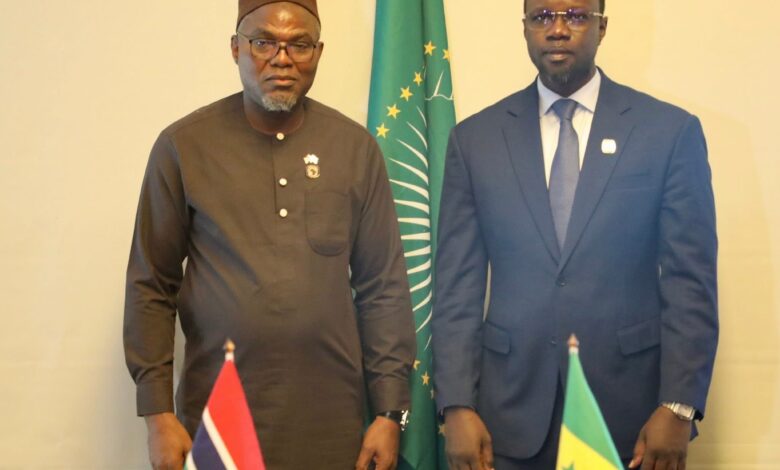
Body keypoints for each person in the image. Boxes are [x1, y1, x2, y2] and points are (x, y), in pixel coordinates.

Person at [123, 1, 415, 469]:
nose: (282, 58)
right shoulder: (184, 147)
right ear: (236, 48)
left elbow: (384, 288)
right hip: (217, 421)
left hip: (332, 424)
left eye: (299, 44)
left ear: (318, 53)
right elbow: (150, 284)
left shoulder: (355, 150)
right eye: (263, 42)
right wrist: (157, 413)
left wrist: (389, 412)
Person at [431, 0, 718, 468]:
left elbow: (691, 282)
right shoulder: (475, 140)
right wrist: (456, 404)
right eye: (543, 16)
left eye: (577, 16)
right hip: (508, 417)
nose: (558, 29)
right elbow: (456, 287)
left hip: (632, 420)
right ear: (525, 27)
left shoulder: (668, 132)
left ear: (602, 28)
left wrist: (678, 406)